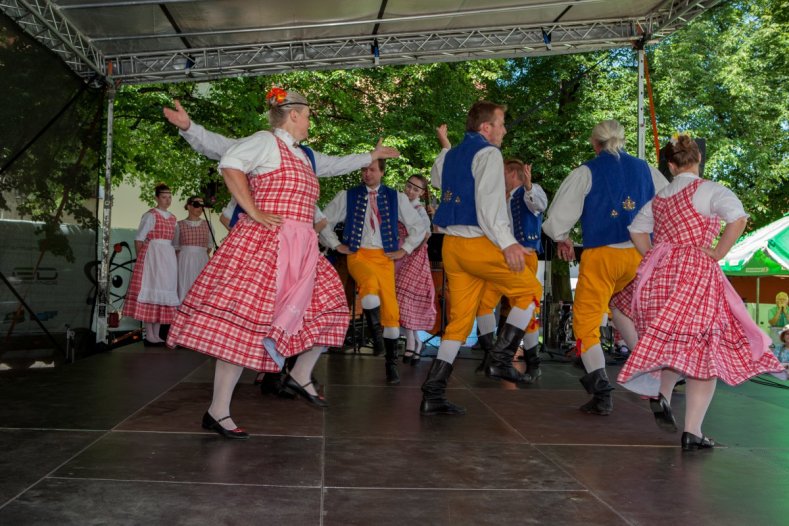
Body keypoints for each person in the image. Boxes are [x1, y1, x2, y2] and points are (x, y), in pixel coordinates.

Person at [163, 88, 400, 439]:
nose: (309, 120)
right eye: (307, 115)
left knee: (332, 307)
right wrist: (253, 209)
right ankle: (218, 410)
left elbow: (336, 164)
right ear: (293, 115)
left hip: (302, 247)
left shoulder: (304, 155)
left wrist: (370, 155)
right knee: (244, 326)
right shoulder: (265, 141)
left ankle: (300, 373)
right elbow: (228, 159)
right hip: (266, 245)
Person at [617, 133, 786, 450]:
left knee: (674, 341)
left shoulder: (661, 197)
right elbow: (738, 218)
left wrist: (652, 253)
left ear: (670, 165)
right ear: (698, 162)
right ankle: (692, 430)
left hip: (663, 274)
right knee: (704, 349)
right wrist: (720, 251)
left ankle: (663, 395)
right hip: (696, 273)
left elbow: (636, 229)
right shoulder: (711, 191)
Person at [420, 102, 543, 416]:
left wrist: (446, 146)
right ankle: (500, 359)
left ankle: (433, 392)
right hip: (478, 243)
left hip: (452, 246)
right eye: (501, 123)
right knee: (529, 292)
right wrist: (508, 244)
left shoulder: (450, 156)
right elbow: (489, 208)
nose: (503, 130)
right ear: (486, 127)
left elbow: (436, 180)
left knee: (459, 323)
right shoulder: (489, 154)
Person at [542, 119, 668, 416]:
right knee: (622, 307)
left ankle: (601, 391)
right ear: (622, 140)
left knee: (585, 321)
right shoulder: (646, 169)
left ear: (594, 143)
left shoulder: (587, 171)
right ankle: (649, 369)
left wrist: (563, 238)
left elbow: (556, 219)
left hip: (603, 255)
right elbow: (666, 204)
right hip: (639, 255)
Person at [319, 160, 428, 384]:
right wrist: (336, 244)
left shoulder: (395, 197)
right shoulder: (347, 195)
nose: (366, 174)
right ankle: (376, 336)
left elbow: (419, 227)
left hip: (384, 257)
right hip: (358, 255)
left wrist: (404, 249)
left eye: (371, 170)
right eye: (363, 169)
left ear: (382, 172)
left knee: (391, 310)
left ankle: (391, 365)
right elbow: (323, 220)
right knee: (368, 287)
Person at [123, 183, 180, 346]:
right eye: (164, 197)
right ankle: (149, 333)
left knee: (163, 290)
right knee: (152, 289)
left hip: (166, 257)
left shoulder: (173, 218)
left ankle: (156, 333)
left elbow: (173, 242)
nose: (167, 200)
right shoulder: (150, 215)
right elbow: (139, 238)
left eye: (169, 197)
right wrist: (142, 259)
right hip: (153, 256)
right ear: (156, 198)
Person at [394, 174, 436, 366]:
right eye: (409, 186)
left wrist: (411, 248)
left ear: (422, 192)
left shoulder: (419, 211)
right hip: (399, 255)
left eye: (416, 189)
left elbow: (426, 234)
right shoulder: (399, 202)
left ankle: (412, 342)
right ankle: (416, 342)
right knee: (400, 299)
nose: (411, 191)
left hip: (414, 257)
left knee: (406, 298)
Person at [174, 196, 213, 303]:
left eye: (202, 205)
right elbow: (176, 246)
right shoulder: (179, 225)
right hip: (184, 261)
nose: (200, 208)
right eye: (196, 205)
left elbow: (209, 246)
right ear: (189, 206)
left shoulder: (208, 225)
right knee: (184, 285)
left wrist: (199, 254)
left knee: (200, 288)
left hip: (202, 260)